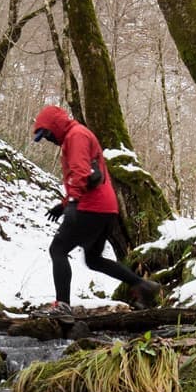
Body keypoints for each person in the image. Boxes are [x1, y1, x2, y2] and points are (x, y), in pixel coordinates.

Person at [31, 105, 162, 308]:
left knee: (58, 249)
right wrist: (63, 205)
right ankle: (143, 286)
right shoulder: (77, 135)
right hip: (105, 208)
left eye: (48, 134)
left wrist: (72, 203)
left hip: (90, 207)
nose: (49, 139)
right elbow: (89, 175)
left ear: (56, 126)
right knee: (93, 259)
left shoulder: (75, 136)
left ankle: (63, 307)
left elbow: (80, 172)